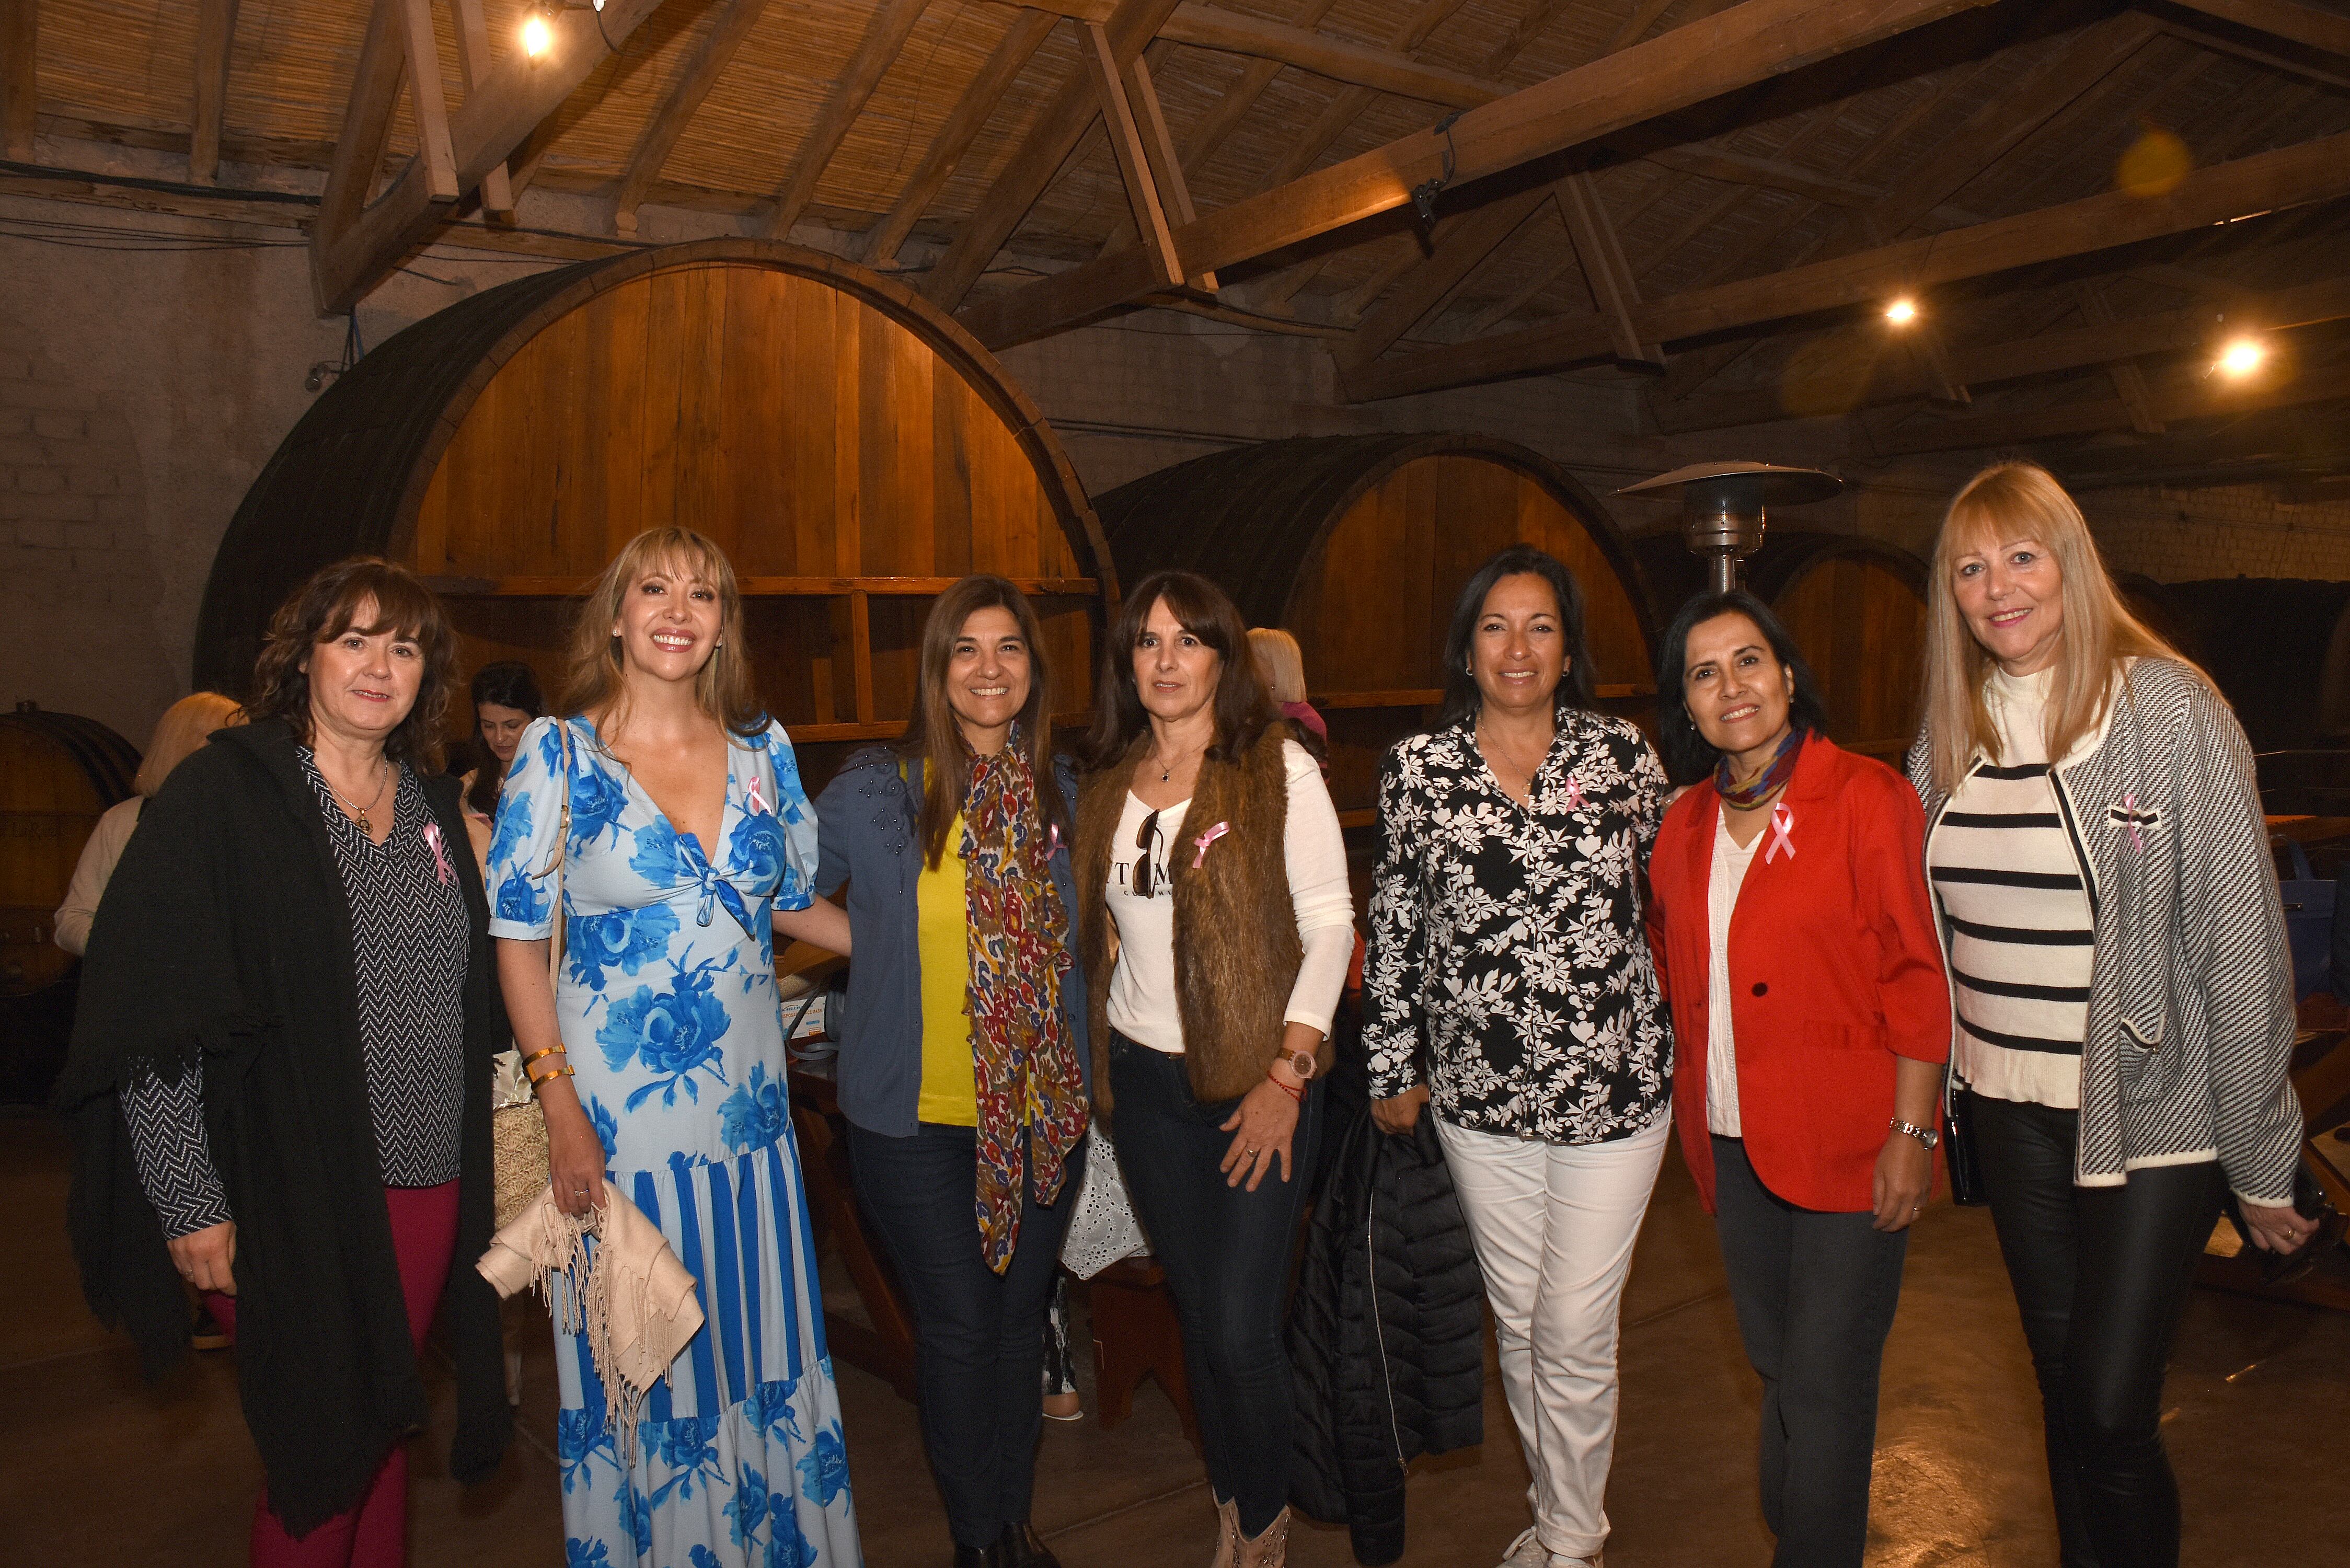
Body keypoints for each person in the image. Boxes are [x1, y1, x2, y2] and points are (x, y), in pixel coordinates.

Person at [56, 558, 512, 1566]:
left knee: (383, 1416)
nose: (377, 666)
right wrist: (188, 1198)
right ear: (302, 656)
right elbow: (153, 1010)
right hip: (276, 1182)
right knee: (321, 1444)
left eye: (403, 647)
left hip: (426, 1179)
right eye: (352, 639)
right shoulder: (228, 795)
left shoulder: (440, 813)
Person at [1910, 463, 2313, 1567]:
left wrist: (2263, 1158)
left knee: (2105, 1405)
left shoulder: (2165, 709)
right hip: (2006, 1106)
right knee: (2061, 1396)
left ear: (2072, 563)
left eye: (2021, 557)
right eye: (1970, 568)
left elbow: (2240, 943)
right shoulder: (1947, 735)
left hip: (2151, 1112)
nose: (1998, 588)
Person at [486, 526, 861, 1568]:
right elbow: (517, 941)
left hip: (749, 1132)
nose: (677, 610)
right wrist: (558, 1106)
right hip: (614, 1136)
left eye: (702, 596)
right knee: (642, 1375)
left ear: (721, 630)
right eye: (654, 589)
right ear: (615, 616)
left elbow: (791, 906)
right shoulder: (556, 757)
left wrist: (921, 950)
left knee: (761, 1352)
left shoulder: (765, 751)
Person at [1363, 544, 1672, 1568]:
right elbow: (1397, 922)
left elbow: (1677, 903)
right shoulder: (1418, 771)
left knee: (1576, 1327)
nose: (1518, 646)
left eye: (1540, 626)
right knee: (1522, 1323)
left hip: (1614, 1094)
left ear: (1568, 648)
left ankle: (1574, 1541)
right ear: (1465, 649)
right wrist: (1389, 1065)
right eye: (1496, 625)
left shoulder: (1623, 758)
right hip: (1476, 1101)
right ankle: (1555, 1516)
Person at [1645, 591, 1950, 1567]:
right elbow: (1675, 974)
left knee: (1822, 1384)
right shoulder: (1683, 827)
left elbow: (1916, 975)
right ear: (1685, 705)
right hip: (1733, 1144)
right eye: (1704, 671)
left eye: (1748, 661)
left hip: (1854, 1144)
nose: (1730, 686)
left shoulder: (1864, 797)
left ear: (1786, 676)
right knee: (1781, 1367)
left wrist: (1914, 1133)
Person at [809, 574, 1090, 1568]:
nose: (987, 668)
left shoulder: (1066, 793)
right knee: (965, 1328)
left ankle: (1012, 1527)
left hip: (1040, 1119)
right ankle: (981, 1545)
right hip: (915, 1123)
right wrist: (873, 943)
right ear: (937, 670)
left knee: (1019, 1328)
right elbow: (769, 882)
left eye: (1008, 647)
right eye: (965, 649)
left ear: (1032, 671)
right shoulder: (879, 789)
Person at [1075, 569, 1354, 1568]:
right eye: (1147, 643)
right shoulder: (1108, 783)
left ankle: (1267, 1530)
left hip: (1256, 1085)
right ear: (1127, 665)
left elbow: (1330, 930)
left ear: (1222, 658)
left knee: (1241, 1327)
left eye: (1187, 641)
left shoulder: (1274, 770)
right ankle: (1233, 1507)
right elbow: (1103, 941)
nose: (1165, 660)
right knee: (1199, 1314)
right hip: (1145, 1094)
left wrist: (1289, 1076)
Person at [53, 691, 245, 959]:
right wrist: (130, 952)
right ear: (182, 749)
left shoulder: (249, 820)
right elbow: (73, 918)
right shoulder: (122, 820)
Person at [458, 661, 544, 868]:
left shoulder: (559, 780)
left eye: (511, 726)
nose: (499, 738)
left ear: (537, 719)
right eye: (488, 726)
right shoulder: (467, 788)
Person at [1246, 626, 1328, 755]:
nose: (1239, 670)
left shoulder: (1308, 723)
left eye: (1249, 662)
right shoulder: (1240, 711)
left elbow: (1318, 774)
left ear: (1275, 672)